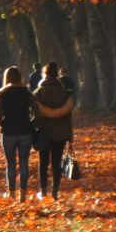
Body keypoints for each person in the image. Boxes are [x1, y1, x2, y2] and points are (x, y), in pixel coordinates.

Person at [0, 66, 38, 202]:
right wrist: (31, 124)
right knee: (24, 162)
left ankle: (11, 193)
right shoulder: (27, 93)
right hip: (25, 130)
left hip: (9, 132)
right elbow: (37, 113)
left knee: (10, 163)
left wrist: (4, 125)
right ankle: (23, 194)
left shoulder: (2, 94)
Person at [33, 62, 74, 200]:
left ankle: (43, 189)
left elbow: (35, 114)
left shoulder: (39, 93)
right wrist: (70, 135)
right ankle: (55, 190)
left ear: (45, 74)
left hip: (44, 131)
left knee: (43, 162)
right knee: (56, 163)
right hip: (60, 132)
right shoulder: (64, 93)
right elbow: (68, 116)